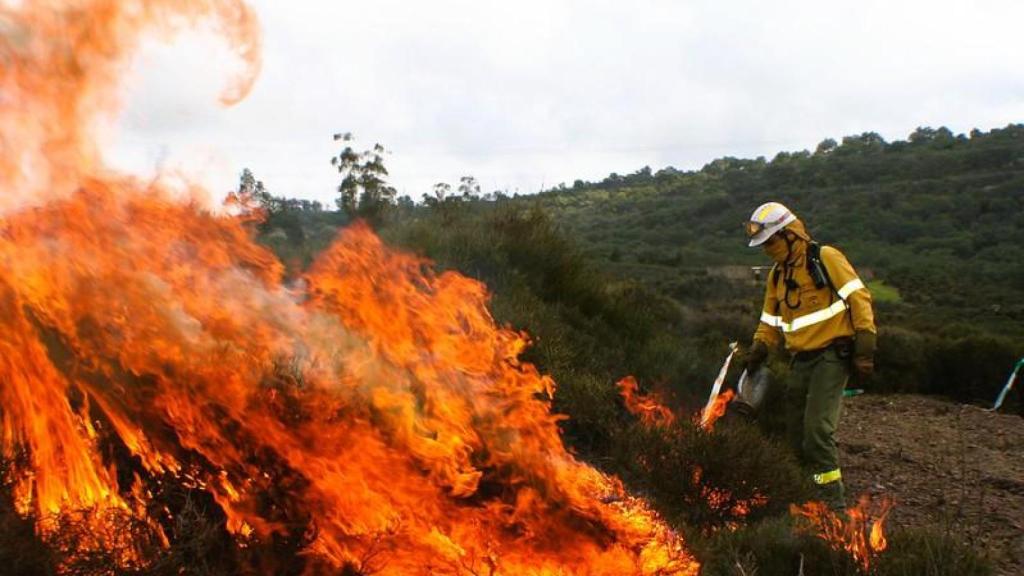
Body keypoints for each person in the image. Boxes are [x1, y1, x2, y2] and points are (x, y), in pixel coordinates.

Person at [743, 202, 876, 509]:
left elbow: (859, 298)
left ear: (792, 235)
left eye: (772, 241)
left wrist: (865, 349)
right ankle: (804, 503)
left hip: (831, 356)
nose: (767, 250)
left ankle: (834, 510)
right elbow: (769, 322)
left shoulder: (825, 258)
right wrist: (759, 348)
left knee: (817, 433)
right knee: (794, 436)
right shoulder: (777, 276)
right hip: (799, 361)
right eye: (763, 245)